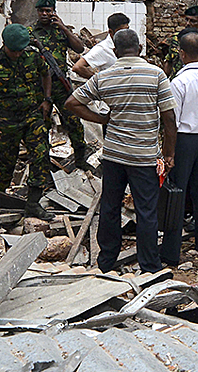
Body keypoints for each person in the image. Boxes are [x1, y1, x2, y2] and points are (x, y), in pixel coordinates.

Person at [65, 29, 177, 273]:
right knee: (146, 211)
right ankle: (149, 266)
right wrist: (169, 154)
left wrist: (101, 119)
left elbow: (72, 103)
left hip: (114, 156)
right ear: (139, 49)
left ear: (115, 51)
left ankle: (106, 261)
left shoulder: (104, 76)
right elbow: (169, 118)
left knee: (110, 206)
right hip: (144, 157)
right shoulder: (156, 75)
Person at [0, 24, 54, 220]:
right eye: (14, 51)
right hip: (7, 120)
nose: (17, 54)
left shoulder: (33, 56)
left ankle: (33, 203)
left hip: (32, 116)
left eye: (20, 50)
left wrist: (47, 99)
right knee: (5, 160)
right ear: (4, 45)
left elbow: (47, 74)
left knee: (41, 154)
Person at [161, 28, 198, 265]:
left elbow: (171, 123)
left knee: (177, 194)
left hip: (184, 141)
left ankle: (171, 251)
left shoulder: (179, 81)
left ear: (181, 54)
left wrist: (170, 153)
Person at [29, 0, 93, 171]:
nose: (44, 14)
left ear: (54, 12)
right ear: (37, 12)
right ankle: (42, 165)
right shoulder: (30, 33)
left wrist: (64, 28)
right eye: (41, 11)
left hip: (61, 84)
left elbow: (79, 48)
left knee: (73, 122)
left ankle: (80, 160)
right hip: (39, 86)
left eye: (48, 11)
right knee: (42, 125)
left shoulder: (61, 31)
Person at [163, 5, 198, 77]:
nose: (188, 24)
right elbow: (169, 62)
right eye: (187, 20)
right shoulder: (176, 39)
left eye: (193, 21)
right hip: (177, 82)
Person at [72, 13, 130, 79]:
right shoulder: (103, 48)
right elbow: (78, 67)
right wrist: (99, 81)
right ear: (111, 32)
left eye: (127, 30)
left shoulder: (129, 43)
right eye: (120, 31)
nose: (125, 34)